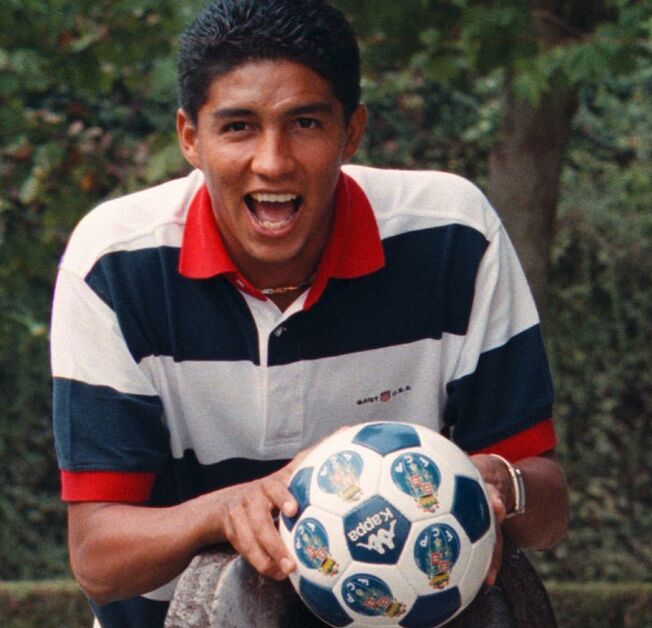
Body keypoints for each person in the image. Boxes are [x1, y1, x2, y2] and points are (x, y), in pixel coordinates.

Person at [49, 1, 569, 625]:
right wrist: (226, 510)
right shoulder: (114, 262)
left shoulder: (452, 235)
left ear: (351, 132)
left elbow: (549, 508)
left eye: (305, 123)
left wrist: (500, 486)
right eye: (238, 126)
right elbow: (97, 558)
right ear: (190, 137)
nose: (273, 161)